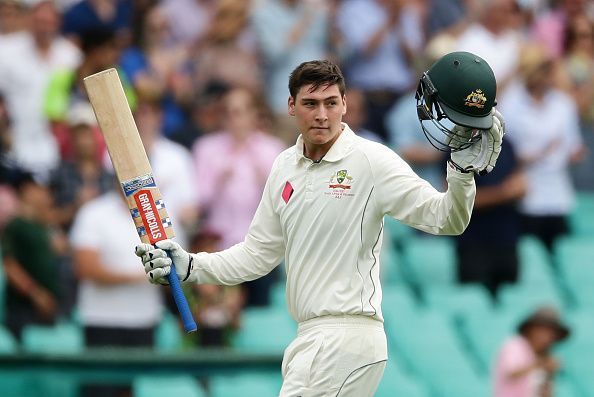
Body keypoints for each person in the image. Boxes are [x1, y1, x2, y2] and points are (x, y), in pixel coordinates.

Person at [136, 56, 504, 395]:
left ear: (345, 105)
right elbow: (256, 255)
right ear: (291, 107)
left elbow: (446, 220)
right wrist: (190, 266)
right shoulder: (283, 166)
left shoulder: (371, 160)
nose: (322, 115)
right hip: (310, 336)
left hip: (349, 334)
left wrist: (461, 174)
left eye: (331, 103)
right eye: (311, 104)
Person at [1, 172, 63, 340]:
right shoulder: (16, 224)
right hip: (24, 307)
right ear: (27, 190)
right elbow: (9, 265)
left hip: (47, 306)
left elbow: (61, 248)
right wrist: (35, 293)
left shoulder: (42, 225)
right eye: (41, 190)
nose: (47, 194)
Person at [493, 306, 570, 397]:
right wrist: (541, 365)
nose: (545, 336)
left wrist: (549, 377)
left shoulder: (545, 355)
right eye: (541, 329)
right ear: (530, 329)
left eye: (551, 332)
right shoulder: (515, 345)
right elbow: (510, 373)